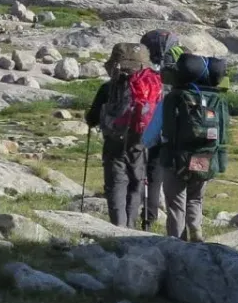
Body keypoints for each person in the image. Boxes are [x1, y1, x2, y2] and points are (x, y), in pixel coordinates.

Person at [85, 43, 161, 228]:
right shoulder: (150, 87)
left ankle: (118, 226)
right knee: (136, 182)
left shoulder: (107, 88)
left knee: (116, 183)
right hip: (140, 142)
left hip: (114, 142)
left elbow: (92, 118)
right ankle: (131, 226)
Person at [161, 51, 229, 240]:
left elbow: (166, 129)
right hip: (205, 154)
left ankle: (176, 240)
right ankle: (196, 233)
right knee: (196, 197)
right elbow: (223, 131)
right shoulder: (218, 99)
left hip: (177, 155)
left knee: (176, 201)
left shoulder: (175, 96)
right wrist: (221, 159)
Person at [138, 29, 182, 228]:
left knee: (140, 173)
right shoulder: (175, 73)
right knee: (156, 177)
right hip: (171, 132)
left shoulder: (142, 71)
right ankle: (152, 217)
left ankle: (139, 214)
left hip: (142, 127)